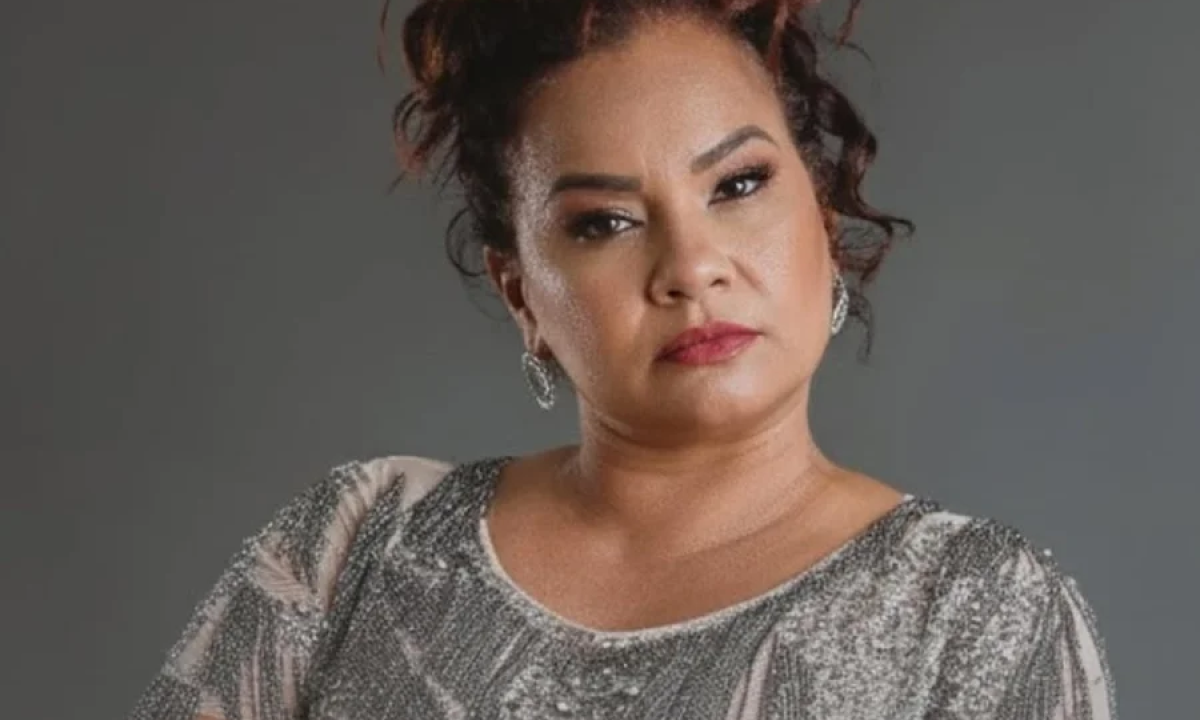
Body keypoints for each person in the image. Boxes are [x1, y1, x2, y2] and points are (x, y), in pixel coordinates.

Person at [127, 0, 1118, 717]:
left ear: (821, 219)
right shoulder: (362, 546)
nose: (691, 267)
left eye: (737, 185)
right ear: (522, 293)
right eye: (604, 222)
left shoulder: (975, 606)